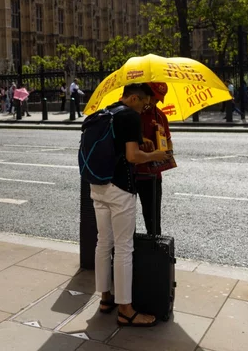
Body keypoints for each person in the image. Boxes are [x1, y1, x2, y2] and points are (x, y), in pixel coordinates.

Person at [90, 83, 171, 328]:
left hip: (97, 185)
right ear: (134, 98)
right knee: (124, 247)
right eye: (144, 101)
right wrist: (155, 155)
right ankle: (126, 309)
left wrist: (139, 140)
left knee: (103, 243)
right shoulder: (129, 116)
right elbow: (132, 157)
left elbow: (116, 145)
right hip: (120, 188)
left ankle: (105, 298)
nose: (146, 106)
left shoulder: (105, 113)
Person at [136, 82, 174, 236]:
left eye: (158, 100)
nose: (154, 103)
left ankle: (154, 249)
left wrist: (168, 150)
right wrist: (141, 139)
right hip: (131, 172)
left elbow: (169, 139)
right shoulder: (131, 113)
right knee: (125, 219)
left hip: (152, 174)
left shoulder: (160, 115)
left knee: (153, 218)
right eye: (153, 99)